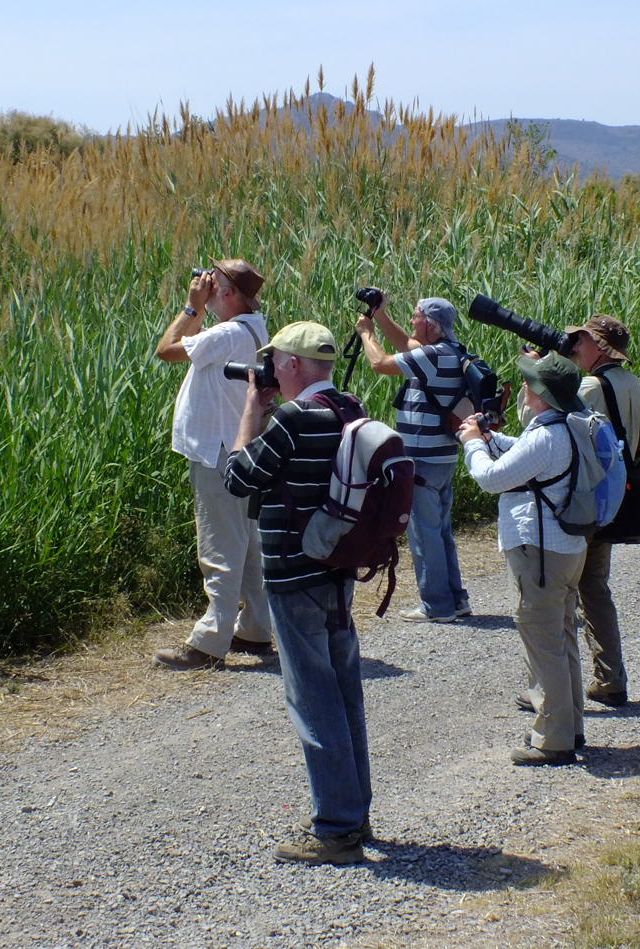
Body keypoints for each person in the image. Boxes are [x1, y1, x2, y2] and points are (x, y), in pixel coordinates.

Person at [224, 321, 372, 866]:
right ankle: (355, 814)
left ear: (289, 365)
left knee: (313, 698)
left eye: (273, 363)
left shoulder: (292, 417)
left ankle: (335, 829)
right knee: (344, 691)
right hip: (336, 568)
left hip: (292, 572)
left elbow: (240, 477)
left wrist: (251, 410)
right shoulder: (348, 407)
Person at [459, 352, 588, 766]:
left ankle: (553, 740)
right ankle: (572, 727)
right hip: (568, 548)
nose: (525, 387)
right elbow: (528, 458)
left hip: (540, 553)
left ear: (540, 393)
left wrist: (474, 445)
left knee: (543, 644)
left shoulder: (547, 435)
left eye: (531, 383)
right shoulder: (568, 424)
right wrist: (492, 440)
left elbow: (492, 479)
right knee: (562, 636)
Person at [516, 316, 640, 709]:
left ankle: (551, 692)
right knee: (595, 589)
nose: (574, 347)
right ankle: (610, 678)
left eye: (581, 342)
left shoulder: (589, 386)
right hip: (609, 496)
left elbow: (534, 422)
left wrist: (533, 379)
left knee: (562, 595)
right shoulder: (629, 382)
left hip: (579, 503)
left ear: (598, 348)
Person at [153, 258, 274, 671]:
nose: (204, 284)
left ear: (226, 294)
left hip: (217, 451)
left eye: (213, 282)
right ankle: (256, 627)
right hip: (240, 448)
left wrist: (192, 306)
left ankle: (209, 642)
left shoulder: (225, 332)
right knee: (248, 541)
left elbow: (165, 350)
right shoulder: (254, 327)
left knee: (220, 546)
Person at [354, 292, 470, 623]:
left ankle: (437, 605)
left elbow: (379, 363)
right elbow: (407, 344)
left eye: (416, 316)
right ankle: (456, 598)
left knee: (422, 533)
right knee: (440, 530)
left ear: (432, 325)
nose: (411, 320)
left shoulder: (432, 357)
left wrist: (366, 333)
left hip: (421, 460)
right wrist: (380, 316)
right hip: (442, 457)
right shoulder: (448, 351)